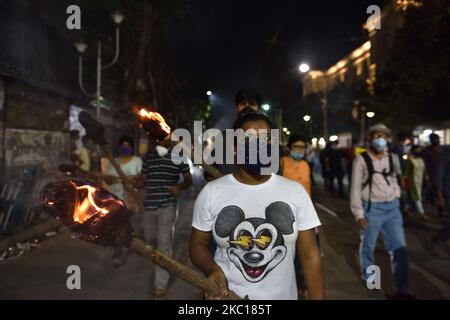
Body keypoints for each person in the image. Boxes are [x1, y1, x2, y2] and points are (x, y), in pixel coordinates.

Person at [190, 112, 325, 300]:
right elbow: (198, 244)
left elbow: (310, 256)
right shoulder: (212, 192)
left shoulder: (295, 192)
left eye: (266, 139)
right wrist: (212, 269)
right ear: (234, 147)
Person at [350, 123, 415, 299]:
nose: (380, 139)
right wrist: (359, 213)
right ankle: (371, 280)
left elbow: (395, 179)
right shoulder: (361, 159)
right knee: (368, 247)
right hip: (372, 209)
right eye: (376, 136)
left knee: (399, 248)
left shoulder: (392, 158)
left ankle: (404, 289)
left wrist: (397, 196)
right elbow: (355, 188)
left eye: (383, 136)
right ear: (369, 139)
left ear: (388, 138)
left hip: (392, 209)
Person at [138, 133, 192, 299]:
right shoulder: (149, 156)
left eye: (165, 137)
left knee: (164, 244)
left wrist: (179, 186)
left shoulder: (178, 156)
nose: (162, 140)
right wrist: (133, 181)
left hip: (168, 205)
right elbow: (142, 180)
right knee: (149, 239)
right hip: (150, 205)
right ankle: (161, 262)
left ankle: (160, 287)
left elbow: (189, 180)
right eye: (160, 138)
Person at [104, 136, 143, 266]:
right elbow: (108, 180)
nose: (125, 147)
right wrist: (109, 178)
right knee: (120, 225)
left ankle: (118, 252)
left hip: (130, 199)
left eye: (128, 145)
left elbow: (141, 179)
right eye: (123, 145)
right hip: (115, 199)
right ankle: (124, 243)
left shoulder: (137, 161)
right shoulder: (114, 162)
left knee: (121, 225)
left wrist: (132, 179)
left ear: (132, 147)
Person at [422, 133, 445, 217]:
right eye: (435, 139)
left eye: (438, 139)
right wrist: (426, 175)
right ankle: (441, 209)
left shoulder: (442, 149)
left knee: (439, 192)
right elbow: (424, 163)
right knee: (437, 192)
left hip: (443, 174)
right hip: (433, 174)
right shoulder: (427, 151)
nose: (437, 140)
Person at [403, 145, 429, 220]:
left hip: (420, 181)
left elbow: (424, 170)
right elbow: (406, 172)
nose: (418, 151)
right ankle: (422, 213)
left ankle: (405, 209)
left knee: (411, 197)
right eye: (417, 150)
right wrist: (404, 181)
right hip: (412, 182)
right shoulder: (410, 161)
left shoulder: (421, 160)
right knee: (417, 197)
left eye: (419, 150)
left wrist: (426, 177)